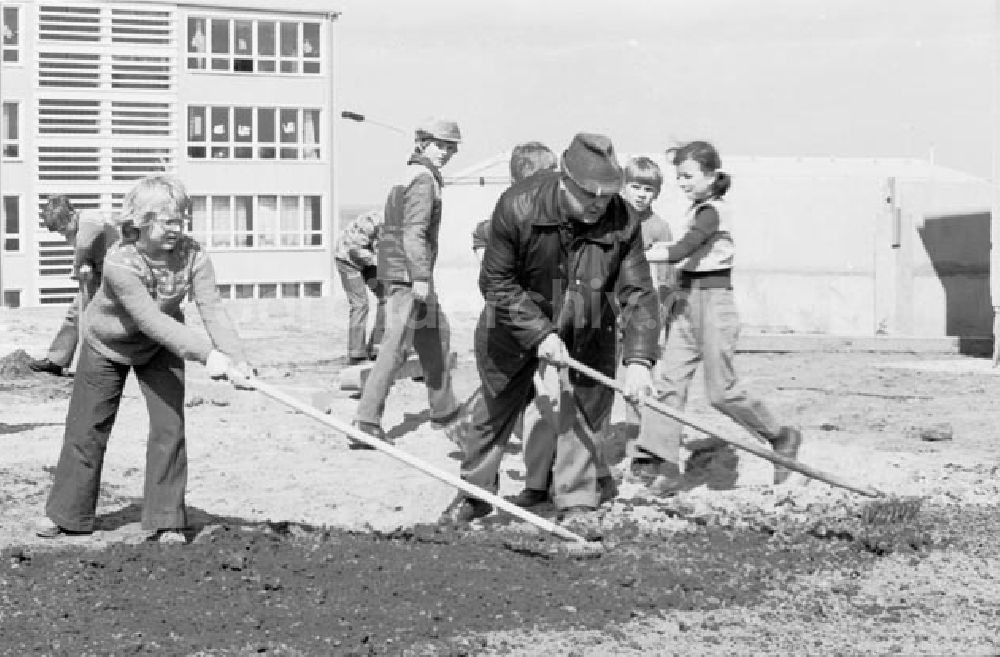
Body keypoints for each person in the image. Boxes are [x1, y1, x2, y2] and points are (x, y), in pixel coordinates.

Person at [441, 133, 660, 525]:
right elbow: (497, 283)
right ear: (564, 179)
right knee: (494, 411)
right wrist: (540, 333)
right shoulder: (517, 206)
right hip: (511, 322)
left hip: (587, 325)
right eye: (589, 194)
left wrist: (641, 359)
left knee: (583, 411)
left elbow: (638, 291)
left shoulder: (622, 219)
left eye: (608, 194)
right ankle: (475, 494)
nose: (599, 204)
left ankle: (576, 501)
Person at [36, 175, 254, 544]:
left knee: (169, 428)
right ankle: (68, 514)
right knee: (87, 429)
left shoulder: (194, 255)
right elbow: (149, 319)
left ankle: (166, 519)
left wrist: (236, 358)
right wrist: (207, 355)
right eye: (166, 220)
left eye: (180, 219)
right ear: (140, 220)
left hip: (161, 346)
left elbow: (212, 308)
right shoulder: (120, 262)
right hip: (106, 343)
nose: (175, 228)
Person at [638, 140, 802, 493]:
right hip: (685, 300)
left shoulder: (712, 212)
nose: (681, 183)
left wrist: (636, 253)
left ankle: (781, 436)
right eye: (678, 177)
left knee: (721, 392)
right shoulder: (696, 209)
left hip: (714, 302)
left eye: (688, 176)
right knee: (670, 383)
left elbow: (682, 250)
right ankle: (665, 466)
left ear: (711, 176)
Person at [351, 118, 465, 449]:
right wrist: (421, 278)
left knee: (435, 336)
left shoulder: (414, 174)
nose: (446, 152)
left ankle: (444, 409)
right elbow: (413, 232)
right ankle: (366, 421)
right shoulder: (423, 180)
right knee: (396, 346)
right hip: (407, 275)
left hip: (403, 270)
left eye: (450, 147)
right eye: (439, 145)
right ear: (422, 144)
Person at [29, 196, 119, 376]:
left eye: (63, 228)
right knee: (76, 314)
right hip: (98, 273)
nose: (63, 234)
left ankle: (95, 364)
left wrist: (78, 266)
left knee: (92, 318)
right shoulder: (77, 227)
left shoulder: (89, 218)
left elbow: (85, 245)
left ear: (71, 214)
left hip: (115, 274)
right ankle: (57, 360)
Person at [334, 208, 386, 365]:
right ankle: (356, 354)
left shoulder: (400, 229)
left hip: (368, 260)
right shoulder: (372, 222)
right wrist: (378, 262)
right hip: (348, 261)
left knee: (386, 297)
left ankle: (377, 347)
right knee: (360, 304)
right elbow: (354, 250)